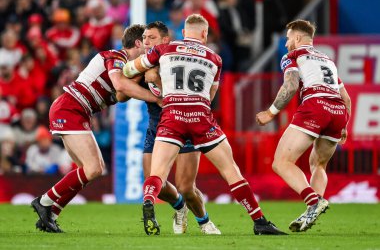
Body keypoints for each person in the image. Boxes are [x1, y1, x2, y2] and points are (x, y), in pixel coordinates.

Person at [124, 14, 286, 236]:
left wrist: (149, 71)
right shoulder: (215, 58)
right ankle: (259, 221)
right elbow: (210, 96)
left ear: (182, 33)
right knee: (231, 171)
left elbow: (128, 71)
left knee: (158, 173)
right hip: (201, 117)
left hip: (171, 116)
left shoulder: (164, 50)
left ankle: (149, 202)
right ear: (205, 34)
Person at [31, 24, 161, 233]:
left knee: (93, 169)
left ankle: (51, 214)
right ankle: (45, 201)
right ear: (137, 43)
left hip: (77, 111)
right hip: (70, 108)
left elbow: (121, 95)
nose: (148, 46)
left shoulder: (127, 67)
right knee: (93, 168)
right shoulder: (116, 57)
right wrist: (157, 98)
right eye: (145, 41)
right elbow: (120, 86)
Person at [256, 19, 351, 232]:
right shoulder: (328, 60)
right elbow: (346, 97)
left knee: (281, 162)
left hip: (315, 106)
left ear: (298, 38)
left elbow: (290, 86)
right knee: (318, 164)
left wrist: (271, 112)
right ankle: (312, 211)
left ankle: (313, 201)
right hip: (338, 112)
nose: (287, 43)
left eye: (289, 38)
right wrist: (344, 125)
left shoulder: (293, 56)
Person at [141, 21, 220, 234]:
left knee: (186, 187)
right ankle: (179, 206)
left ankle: (204, 221)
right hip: (157, 128)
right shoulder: (142, 64)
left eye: (152, 38)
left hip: (185, 124)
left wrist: (157, 80)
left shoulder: (175, 59)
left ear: (165, 41)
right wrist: (151, 93)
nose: (146, 42)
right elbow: (121, 92)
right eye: (145, 38)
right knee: (153, 183)